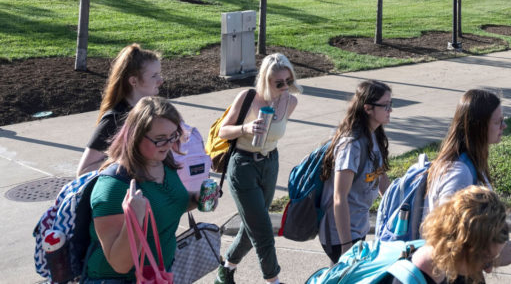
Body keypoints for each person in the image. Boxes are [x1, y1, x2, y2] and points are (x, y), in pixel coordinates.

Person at [84, 96, 208, 283]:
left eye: (173, 135)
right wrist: (134, 218)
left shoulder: (164, 161)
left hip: (157, 275)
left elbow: (167, 205)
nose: (169, 144)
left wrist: (196, 198)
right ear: (135, 136)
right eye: (160, 139)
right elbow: (119, 264)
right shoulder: (113, 187)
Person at [215, 53, 301, 284]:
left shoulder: (290, 102)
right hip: (243, 165)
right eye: (279, 83)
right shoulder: (248, 97)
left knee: (252, 224)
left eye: (289, 81)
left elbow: (275, 135)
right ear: (265, 80)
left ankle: (226, 269)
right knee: (262, 229)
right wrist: (246, 128)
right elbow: (223, 131)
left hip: (270, 163)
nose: (285, 87)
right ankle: (273, 280)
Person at [426, 89, 511, 269]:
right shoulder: (458, 173)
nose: (504, 126)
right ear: (478, 126)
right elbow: (446, 242)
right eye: (497, 122)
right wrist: (494, 260)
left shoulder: (470, 162)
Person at [319, 80, 393, 263]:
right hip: (340, 235)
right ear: (368, 108)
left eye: (391, 104)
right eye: (385, 105)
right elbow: (339, 197)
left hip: (358, 227)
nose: (390, 109)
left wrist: (403, 206)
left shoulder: (373, 135)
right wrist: (346, 245)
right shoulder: (351, 144)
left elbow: (381, 180)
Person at [384, 186, 509, 284]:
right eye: (486, 261)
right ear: (462, 246)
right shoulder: (408, 280)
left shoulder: (458, 266)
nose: (489, 269)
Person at [77, 44, 163, 176]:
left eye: (160, 74)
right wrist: (128, 160)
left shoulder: (151, 111)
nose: (160, 80)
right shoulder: (115, 119)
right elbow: (83, 171)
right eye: (154, 76)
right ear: (133, 81)